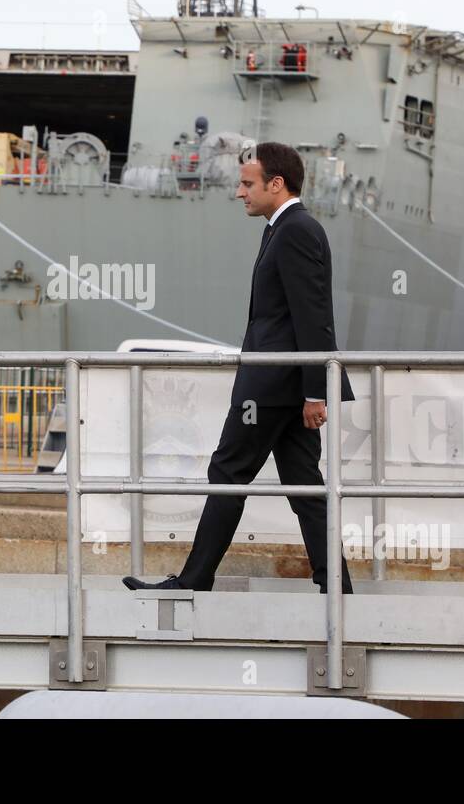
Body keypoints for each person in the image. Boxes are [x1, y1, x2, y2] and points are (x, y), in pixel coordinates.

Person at [124, 142, 355, 593]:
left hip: (272, 386)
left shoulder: (295, 231)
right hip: (283, 384)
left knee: (229, 474)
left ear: (276, 183)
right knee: (305, 486)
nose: (239, 192)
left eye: (247, 184)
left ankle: (192, 582)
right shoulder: (282, 228)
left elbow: (313, 315)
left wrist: (314, 390)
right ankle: (337, 589)